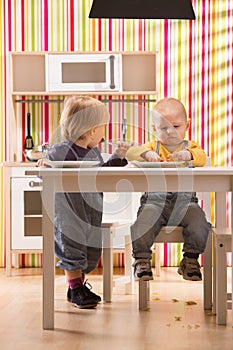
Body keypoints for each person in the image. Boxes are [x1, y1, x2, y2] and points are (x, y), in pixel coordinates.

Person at [38, 96, 130, 309]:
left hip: (91, 212)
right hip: (69, 213)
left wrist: (117, 158)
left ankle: (78, 286)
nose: (104, 133)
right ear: (91, 131)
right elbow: (46, 169)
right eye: (102, 128)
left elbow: (100, 175)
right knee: (72, 249)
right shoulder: (62, 151)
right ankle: (75, 288)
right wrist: (45, 164)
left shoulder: (93, 152)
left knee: (89, 249)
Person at [126, 97, 211, 282]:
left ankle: (190, 259)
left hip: (185, 203)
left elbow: (202, 157)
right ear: (154, 128)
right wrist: (146, 154)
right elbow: (131, 153)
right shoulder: (152, 147)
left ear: (187, 126)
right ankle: (141, 260)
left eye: (176, 126)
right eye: (164, 128)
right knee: (142, 223)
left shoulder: (191, 147)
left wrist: (187, 155)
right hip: (154, 202)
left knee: (200, 223)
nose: (170, 131)